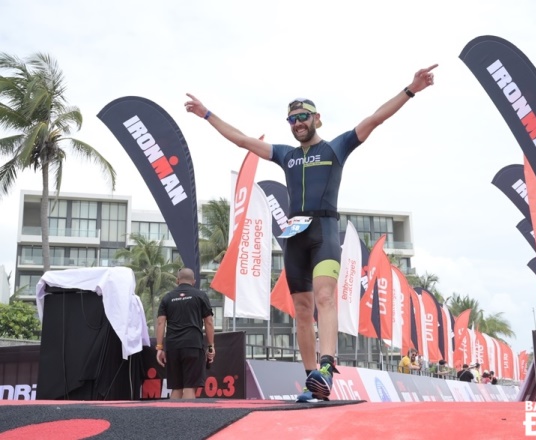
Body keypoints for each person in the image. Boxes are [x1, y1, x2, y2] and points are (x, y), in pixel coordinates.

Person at [185, 64, 437, 402]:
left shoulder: (335, 148)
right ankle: (312, 382)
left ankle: (328, 365)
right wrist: (207, 114)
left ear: (317, 118)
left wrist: (411, 89)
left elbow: (375, 119)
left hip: (324, 232)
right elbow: (243, 140)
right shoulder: (285, 154)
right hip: (295, 238)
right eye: (292, 119)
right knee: (301, 310)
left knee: (325, 297)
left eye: (303, 117)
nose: (298, 123)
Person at [156, 268, 215, 399]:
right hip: (193, 345)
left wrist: (159, 348)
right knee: (189, 387)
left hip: (173, 347)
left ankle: (172, 419)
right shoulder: (200, 295)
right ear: (193, 282)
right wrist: (211, 346)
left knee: (176, 387)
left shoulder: (168, 297)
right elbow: (209, 322)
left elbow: (161, 323)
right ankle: (188, 419)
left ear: (177, 281)